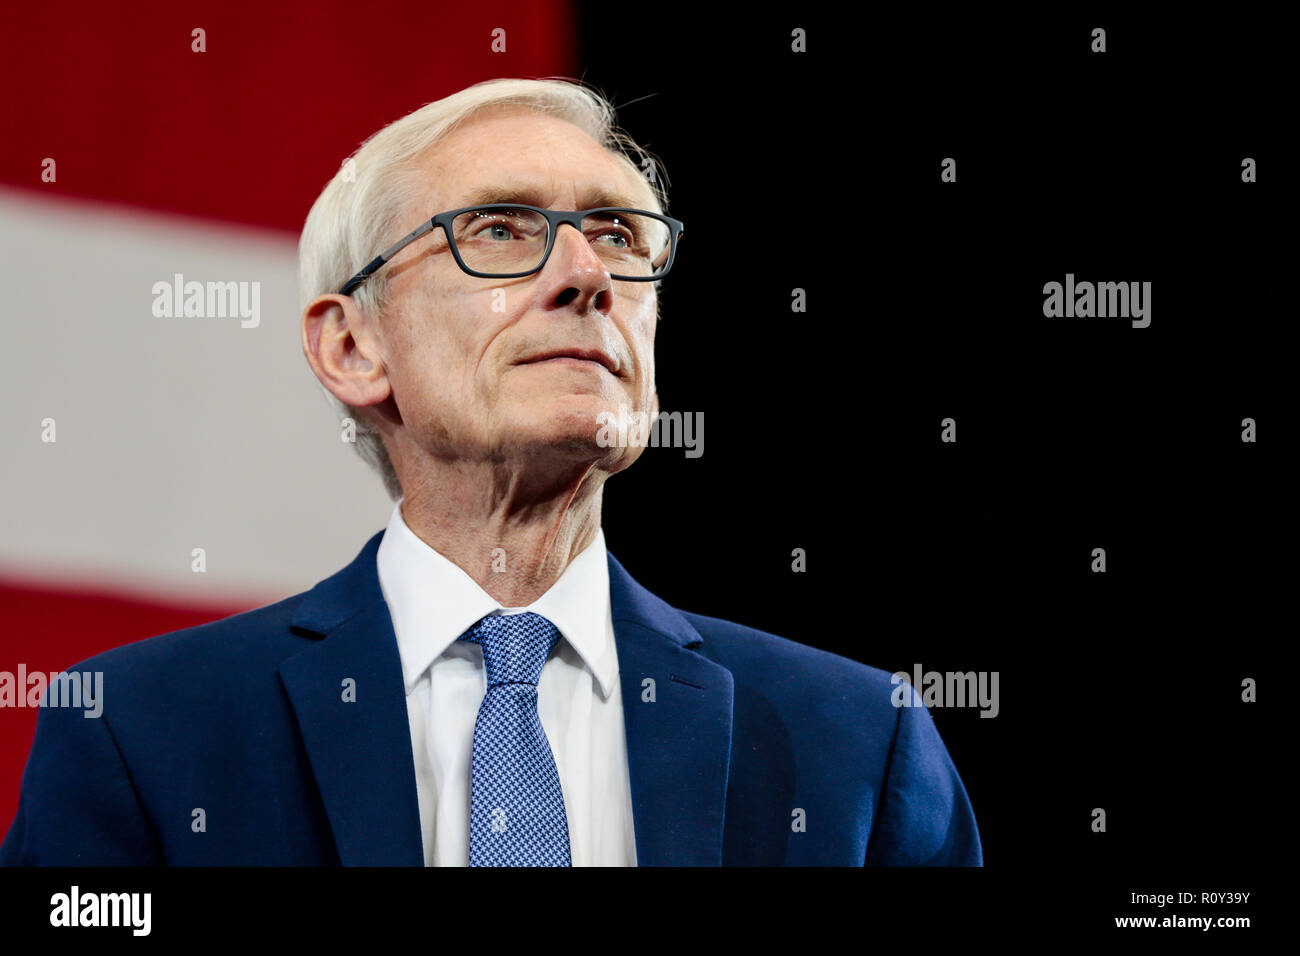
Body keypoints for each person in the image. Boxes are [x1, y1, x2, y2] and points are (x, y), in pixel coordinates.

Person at [0, 78, 980, 866]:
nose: (588, 275)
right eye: (502, 229)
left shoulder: (855, 740)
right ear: (352, 346)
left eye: (619, 238)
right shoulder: (144, 731)